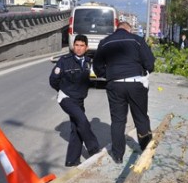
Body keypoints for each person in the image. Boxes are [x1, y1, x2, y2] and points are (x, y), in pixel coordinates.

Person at [93, 21, 155, 164]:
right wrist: (144, 71)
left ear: (117, 29)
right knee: (141, 118)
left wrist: (109, 75)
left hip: (115, 85)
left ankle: (118, 155)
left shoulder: (104, 42)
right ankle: (146, 151)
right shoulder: (137, 40)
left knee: (118, 120)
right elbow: (150, 63)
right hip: (136, 84)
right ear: (129, 29)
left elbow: (97, 67)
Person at [49, 34, 99, 167]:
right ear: (73, 46)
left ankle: (72, 160)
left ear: (86, 47)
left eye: (82, 45)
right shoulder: (64, 61)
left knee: (76, 127)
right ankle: (94, 149)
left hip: (79, 99)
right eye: (76, 45)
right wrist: (63, 91)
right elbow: (53, 80)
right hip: (66, 98)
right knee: (82, 121)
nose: (78, 48)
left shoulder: (89, 62)